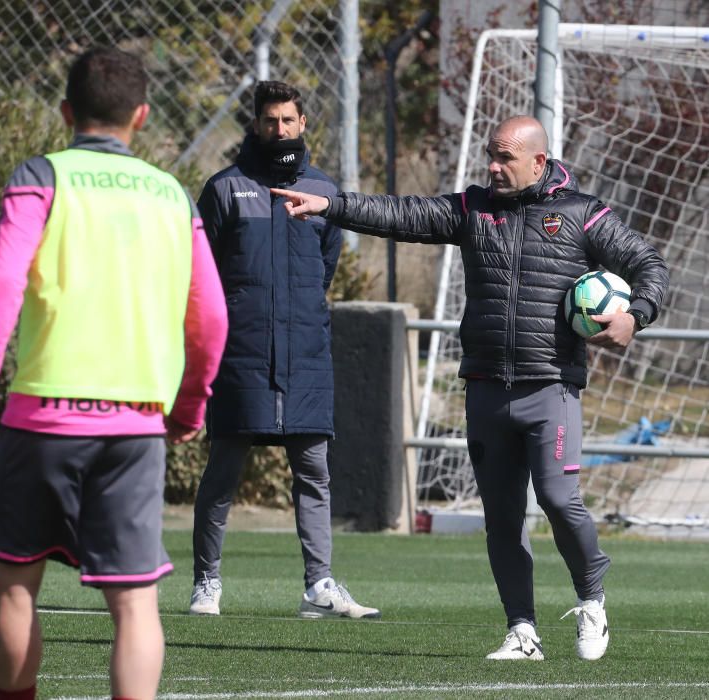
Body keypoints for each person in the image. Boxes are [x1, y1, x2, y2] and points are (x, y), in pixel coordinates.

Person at [272, 115, 669, 659]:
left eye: (505, 158)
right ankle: (522, 631)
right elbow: (402, 214)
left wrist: (635, 315)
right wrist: (331, 204)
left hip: (551, 388)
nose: (493, 166)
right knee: (501, 519)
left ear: (538, 161)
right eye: (490, 155)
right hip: (485, 388)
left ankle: (593, 597)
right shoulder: (472, 209)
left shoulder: (582, 214)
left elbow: (648, 263)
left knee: (557, 497)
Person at [0, 47, 228, 700]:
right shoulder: (171, 195)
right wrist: (189, 406)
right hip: (134, 424)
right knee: (135, 605)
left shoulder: (42, 177)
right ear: (141, 115)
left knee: (16, 587)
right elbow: (211, 316)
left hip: (42, 418)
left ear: (67, 112)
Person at [188, 80, 379, 620]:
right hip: (240, 355)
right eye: (270, 121)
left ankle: (319, 587)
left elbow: (325, 268)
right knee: (223, 471)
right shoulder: (225, 188)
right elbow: (201, 270)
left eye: (288, 121)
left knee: (314, 472)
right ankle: (207, 583)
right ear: (255, 124)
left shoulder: (322, 190)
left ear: (302, 125)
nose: (280, 130)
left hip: (307, 354)